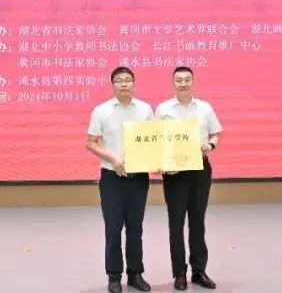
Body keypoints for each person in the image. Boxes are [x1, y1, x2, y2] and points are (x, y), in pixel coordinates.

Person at [87, 66, 154, 293]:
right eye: (118, 80)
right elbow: (91, 143)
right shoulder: (102, 111)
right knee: (113, 229)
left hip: (138, 178)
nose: (124, 83)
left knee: (135, 229)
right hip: (112, 179)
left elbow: (153, 140)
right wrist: (113, 159)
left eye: (127, 79)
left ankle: (135, 274)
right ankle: (114, 276)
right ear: (112, 84)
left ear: (133, 83)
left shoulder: (145, 109)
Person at [156, 66, 222, 290]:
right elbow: (156, 140)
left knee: (197, 221)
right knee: (176, 223)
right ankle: (179, 273)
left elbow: (215, 134)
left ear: (192, 81)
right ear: (173, 82)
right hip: (174, 173)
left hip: (200, 169)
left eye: (187, 80)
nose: (183, 83)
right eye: (178, 80)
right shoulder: (163, 109)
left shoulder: (204, 107)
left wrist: (210, 145)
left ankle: (199, 271)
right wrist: (162, 163)